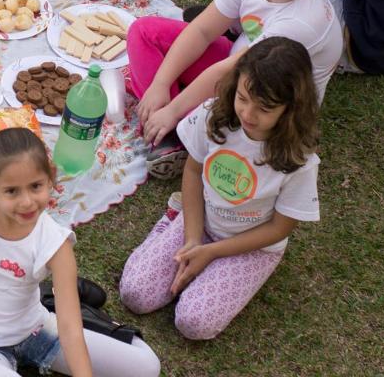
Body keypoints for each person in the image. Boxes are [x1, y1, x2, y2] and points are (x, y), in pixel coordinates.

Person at [119, 37, 321, 340]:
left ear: (291, 107)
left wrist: (211, 252)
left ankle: (212, 259)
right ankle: (174, 220)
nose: (248, 114)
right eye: (242, 98)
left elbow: (279, 228)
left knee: (193, 323)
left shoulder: (299, 160)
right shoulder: (215, 114)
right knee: (134, 295)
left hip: (252, 246)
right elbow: (193, 169)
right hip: (201, 221)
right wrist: (191, 239)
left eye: (264, 108)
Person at [0, 128, 160, 377]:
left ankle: (64, 304)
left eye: (35, 186)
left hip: (35, 330)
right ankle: (51, 298)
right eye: (12, 191)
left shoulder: (56, 243)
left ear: (51, 178)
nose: (26, 201)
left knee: (146, 367)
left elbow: (69, 328)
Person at [129, 0, 342, 178]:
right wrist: (160, 83)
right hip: (238, 62)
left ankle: (175, 131)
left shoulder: (303, 22)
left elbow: (230, 72)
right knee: (143, 31)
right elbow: (202, 31)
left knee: (235, 108)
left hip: (264, 103)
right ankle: (176, 127)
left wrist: (171, 110)